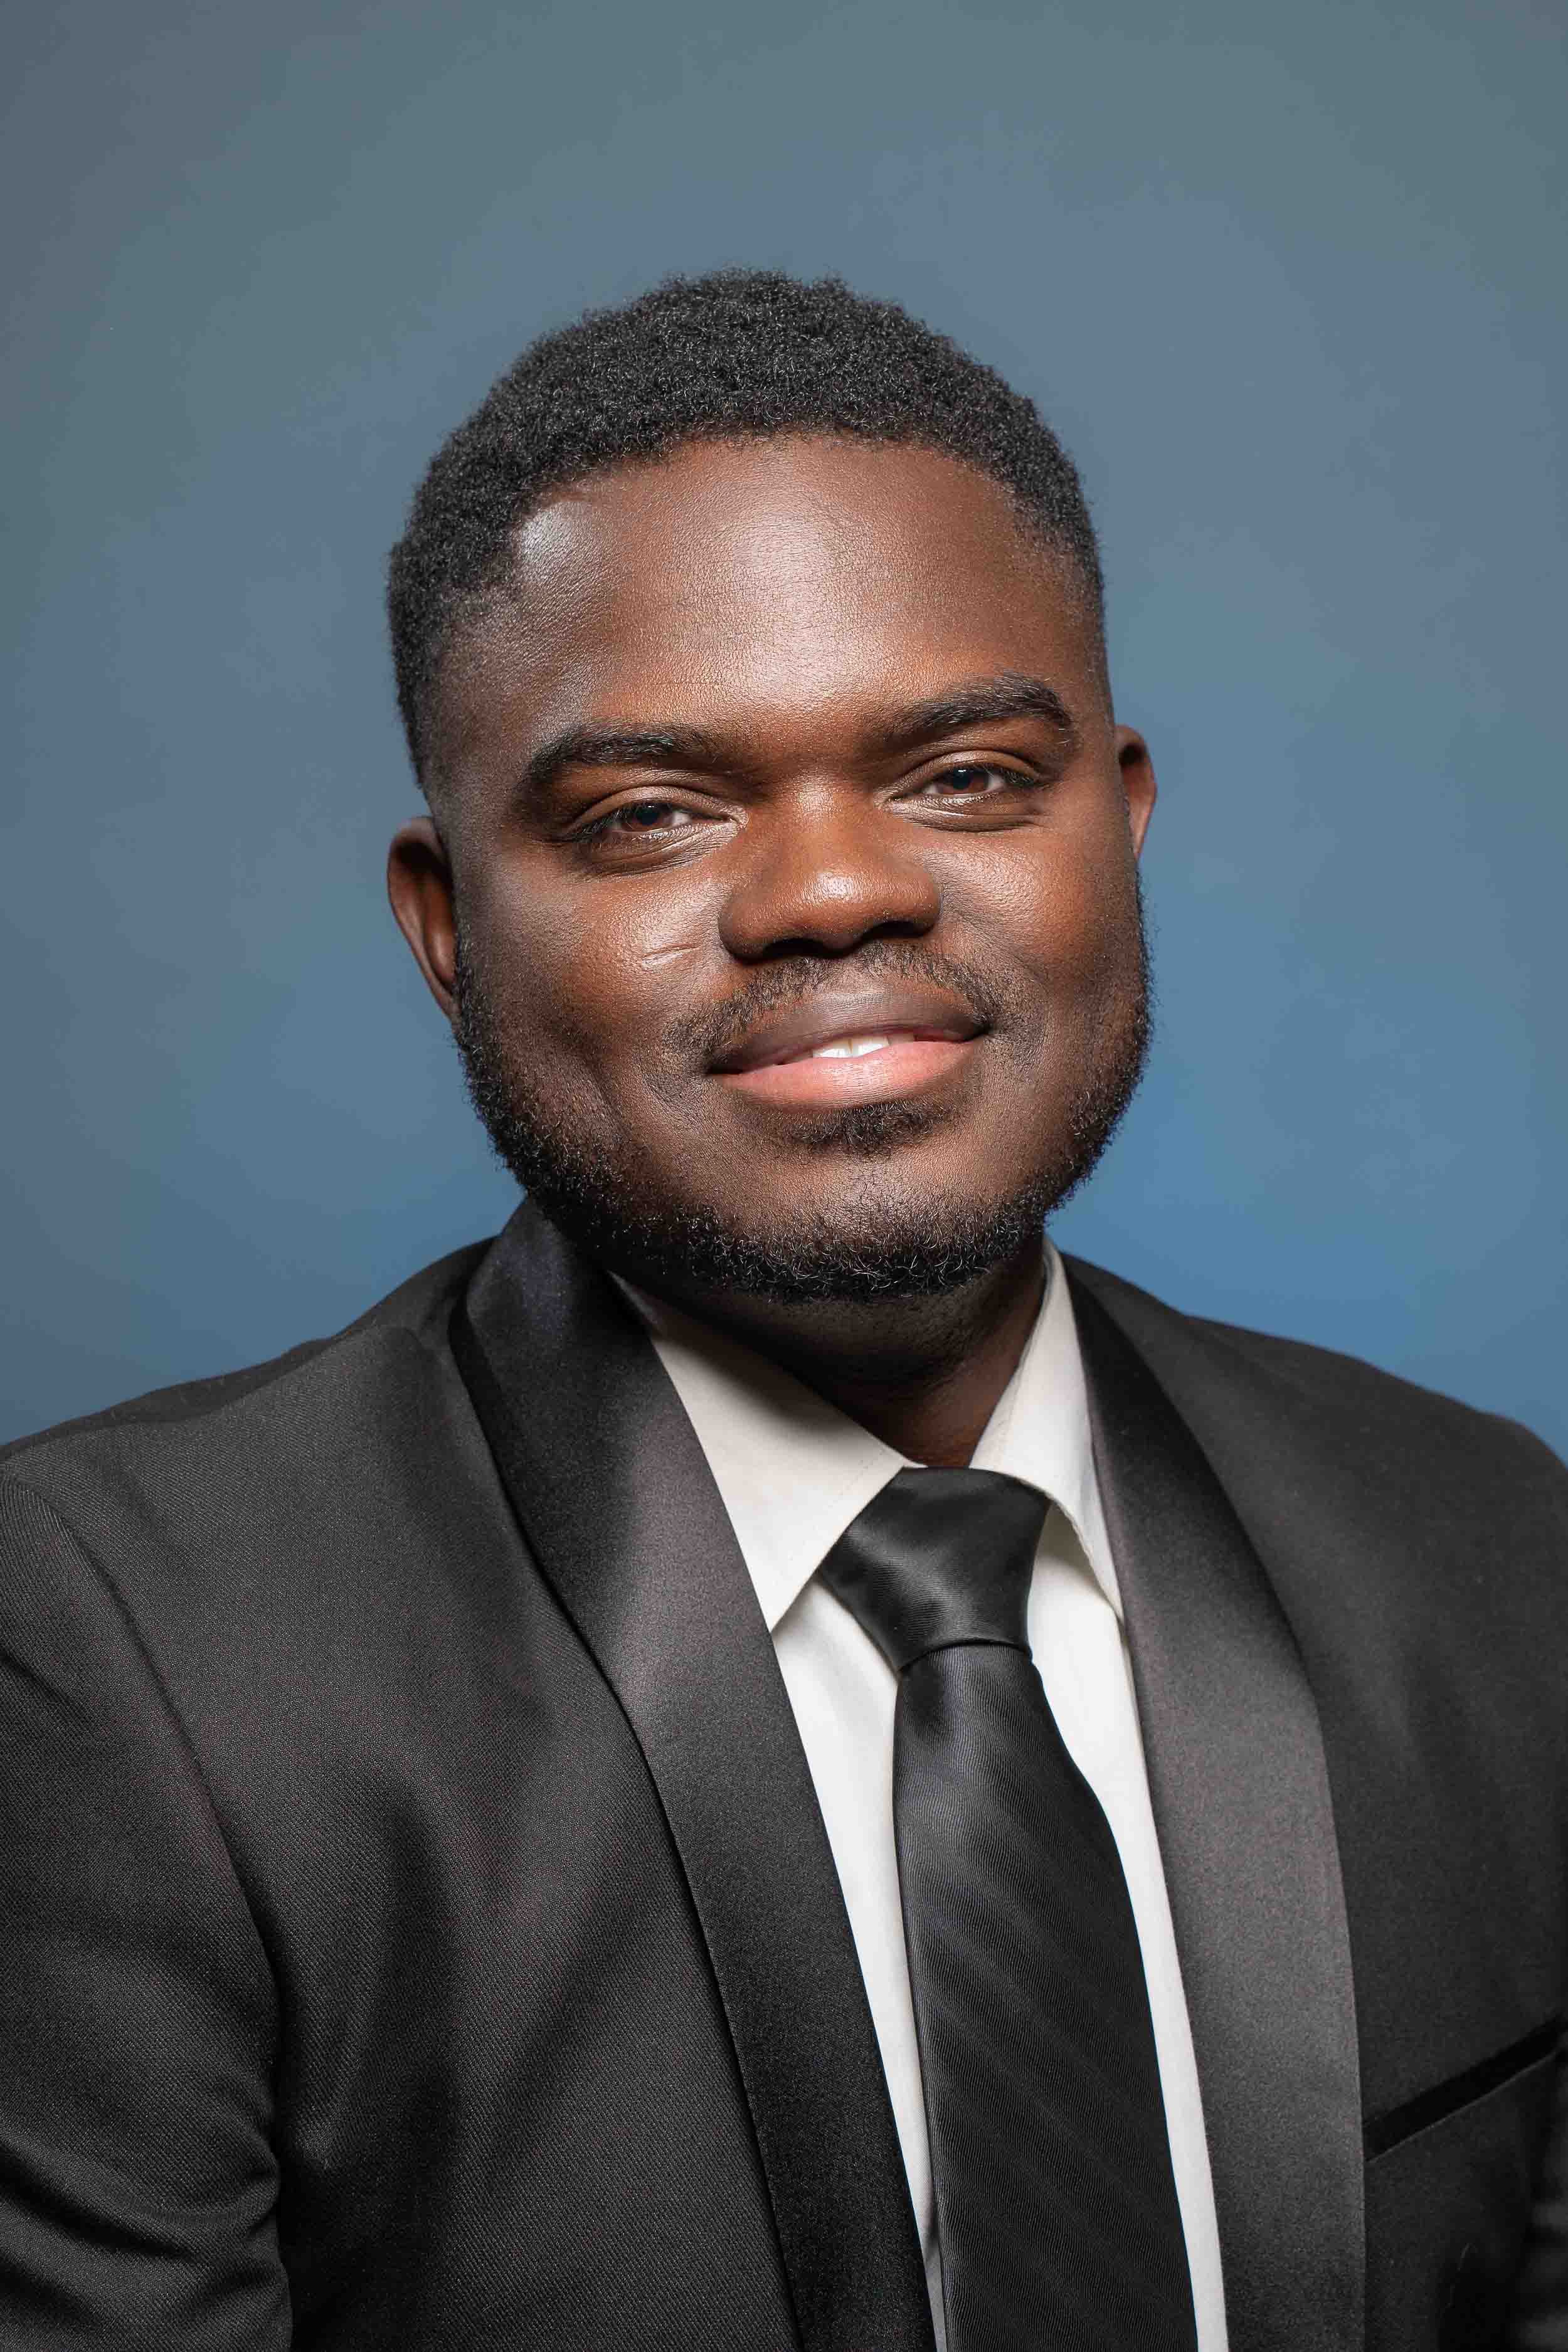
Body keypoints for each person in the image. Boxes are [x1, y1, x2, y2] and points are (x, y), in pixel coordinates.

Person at [1, 270, 1564, 2352]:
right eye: (649, 814)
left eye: (968, 778)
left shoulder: (1485, 1548)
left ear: (1125, 820)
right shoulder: (115, 1660)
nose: (833, 891)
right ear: (447, 927)